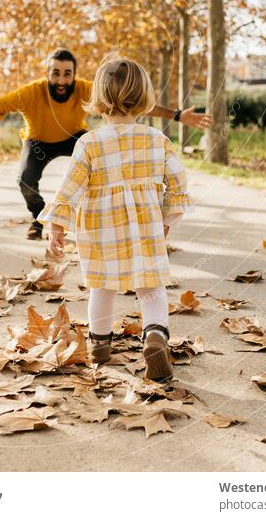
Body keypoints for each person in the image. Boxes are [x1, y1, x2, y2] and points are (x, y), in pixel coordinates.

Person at [0, 47, 211, 240]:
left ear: (75, 75)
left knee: (89, 174)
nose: (61, 80)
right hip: (38, 141)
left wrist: (179, 115)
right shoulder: (31, 93)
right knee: (25, 180)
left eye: (67, 74)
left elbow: (131, 100)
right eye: (56, 74)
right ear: (47, 74)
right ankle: (40, 219)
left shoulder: (84, 90)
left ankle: (95, 217)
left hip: (75, 137)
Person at [39, 54, 192, 383]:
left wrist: (57, 224)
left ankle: (100, 346)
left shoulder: (89, 143)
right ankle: (155, 336)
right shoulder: (157, 140)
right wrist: (168, 220)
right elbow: (178, 183)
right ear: (144, 97)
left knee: (102, 287)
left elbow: (70, 188)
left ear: (100, 97)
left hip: (100, 231)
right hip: (146, 228)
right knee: (151, 289)